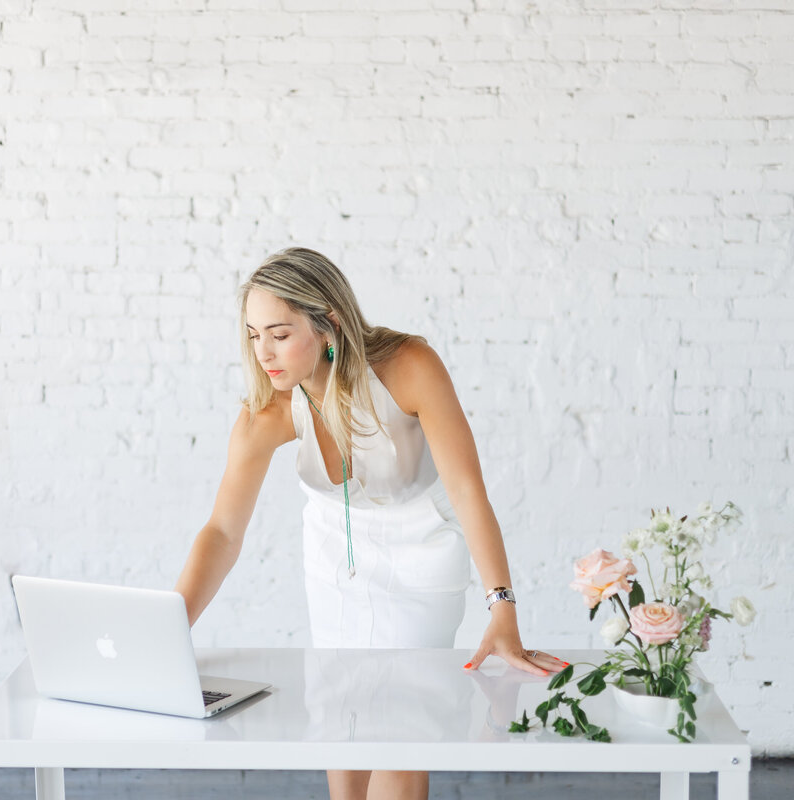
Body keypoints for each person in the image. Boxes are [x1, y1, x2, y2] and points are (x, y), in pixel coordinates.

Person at [174, 247, 566, 800]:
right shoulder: (268, 411)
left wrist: (502, 606)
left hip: (421, 562)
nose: (263, 352)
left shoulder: (409, 367)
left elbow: (468, 490)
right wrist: (173, 623)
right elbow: (222, 532)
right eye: (253, 334)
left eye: (280, 334)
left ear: (328, 322)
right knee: (343, 734)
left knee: (400, 738)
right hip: (335, 570)